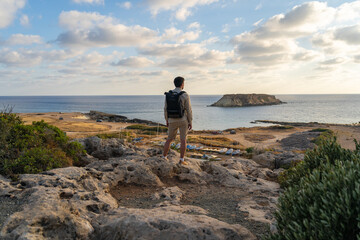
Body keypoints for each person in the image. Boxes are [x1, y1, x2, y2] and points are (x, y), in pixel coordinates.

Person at [162, 76, 192, 165]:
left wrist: (167, 120)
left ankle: (164, 157)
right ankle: (181, 160)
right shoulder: (185, 95)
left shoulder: (169, 94)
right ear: (182, 84)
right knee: (183, 140)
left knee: (169, 139)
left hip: (171, 120)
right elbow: (188, 110)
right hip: (183, 120)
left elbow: (165, 109)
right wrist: (190, 121)